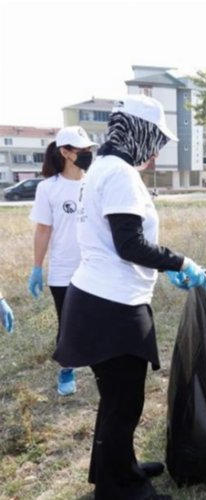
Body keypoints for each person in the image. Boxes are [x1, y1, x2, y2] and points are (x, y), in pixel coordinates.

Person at [54, 94, 206, 500]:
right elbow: (129, 244)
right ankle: (120, 490)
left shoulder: (102, 167)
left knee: (117, 401)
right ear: (138, 132)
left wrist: (166, 267)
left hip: (98, 298)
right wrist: (180, 263)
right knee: (124, 403)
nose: (156, 151)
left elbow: (120, 241)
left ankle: (118, 469)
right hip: (112, 307)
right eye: (155, 140)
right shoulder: (119, 173)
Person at [28, 126, 98, 396]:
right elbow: (43, 229)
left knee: (98, 320)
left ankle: (100, 365)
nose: (88, 155)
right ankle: (67, 368)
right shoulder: (49, 188)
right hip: (63, 272)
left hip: (96, 268)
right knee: (68, 323)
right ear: (66, 153)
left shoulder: (96, 182)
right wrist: (36, 268)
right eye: (83, 151)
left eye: (89, 150)